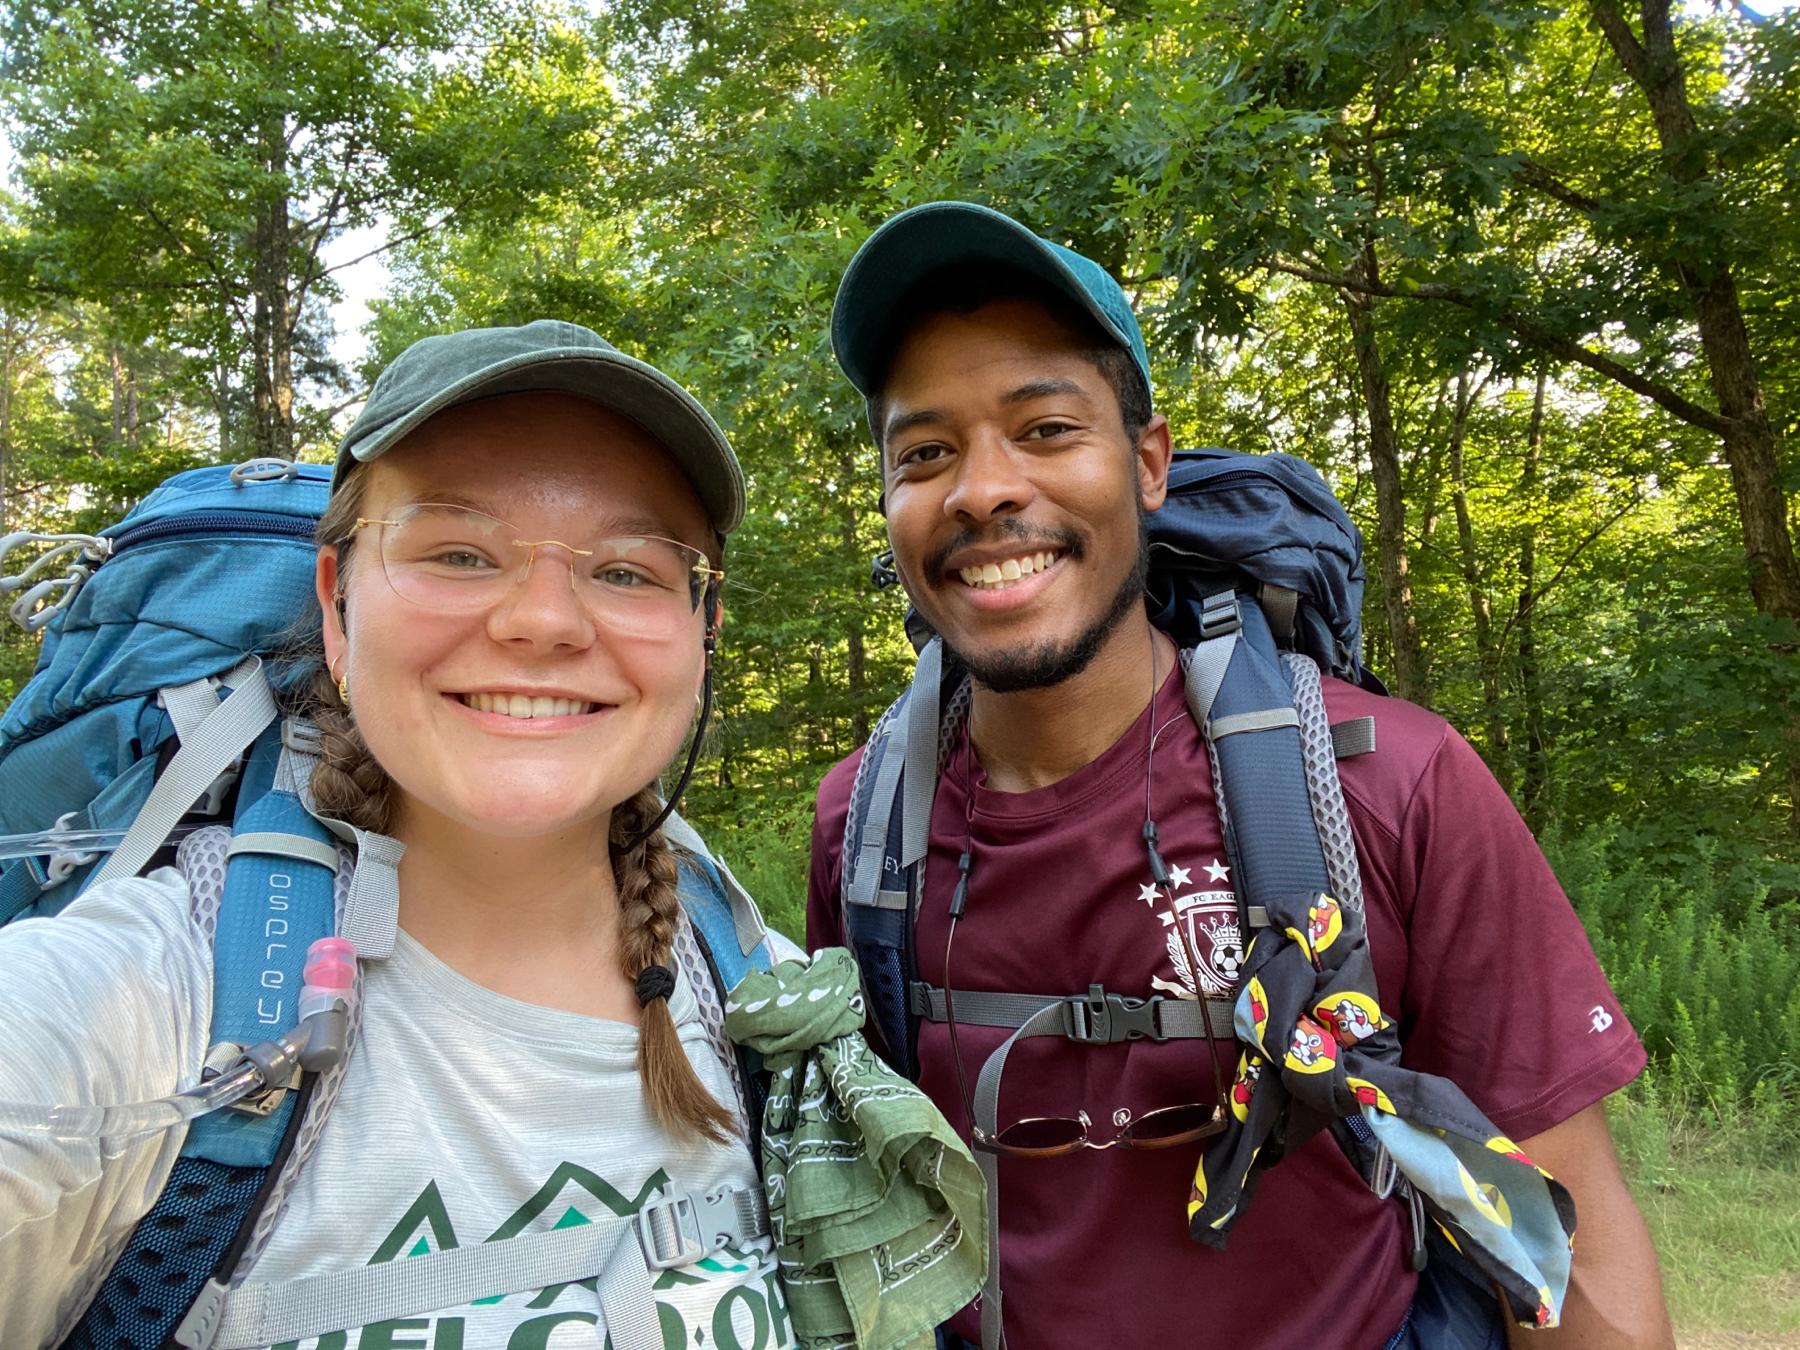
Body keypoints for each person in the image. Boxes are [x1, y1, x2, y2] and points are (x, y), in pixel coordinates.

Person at [806, 203, 1675, 1349]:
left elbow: (1558, 1222)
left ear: (1148, 465)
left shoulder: (1393, 782)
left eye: (1047, 428)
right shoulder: (864, 829)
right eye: (925, 453)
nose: (981, 490)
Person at [0, 321, 800, 1348]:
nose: (544, 620)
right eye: (460, 553)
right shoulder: (145, 1003)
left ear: (702, 629)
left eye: (630, 570)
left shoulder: (752, 991)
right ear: (338, 610)